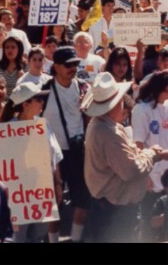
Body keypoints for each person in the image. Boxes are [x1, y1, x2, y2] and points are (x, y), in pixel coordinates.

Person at [82, 72, 168, 242]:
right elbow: (132, 170)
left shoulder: (104, 125)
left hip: (111, 206)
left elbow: (128, 157)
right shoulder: (107, 132)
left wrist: (149, 154)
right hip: (115, 210)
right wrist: (153, 154)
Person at [2, 82, 64, 242]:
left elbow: (54, 157)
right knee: (19, 238)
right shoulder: (7, 130)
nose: (42, 102)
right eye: (38, 99)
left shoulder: (44, 125)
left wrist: (58, 184)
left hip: (41, 193)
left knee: (38, 235)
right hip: (18, 197)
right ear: (25, 104)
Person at [41, 46, 91, 242]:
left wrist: (89, 107)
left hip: (78, 152)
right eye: (68, 65)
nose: (73, 68)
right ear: (56, 67)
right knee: (54, 204)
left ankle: (76, 239)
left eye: (75, 64)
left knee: (82, 202)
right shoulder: (44, 90)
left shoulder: (84, 88)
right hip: (54, 155)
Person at [131, 70, 168, 241]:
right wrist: (144, 176)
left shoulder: (166, 106)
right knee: (149, 221)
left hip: (166, 175)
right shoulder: (141, 109)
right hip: (151, 175)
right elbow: (138, 144)